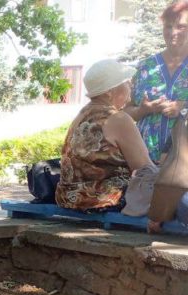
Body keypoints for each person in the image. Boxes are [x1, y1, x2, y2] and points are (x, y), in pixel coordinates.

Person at [56, 59, 154, 212]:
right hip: (102, 199)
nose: (131, 86)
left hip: (68, 197)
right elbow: (144, 169)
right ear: (110, 91)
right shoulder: (118, 119)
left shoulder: (82, 115)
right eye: (127, 83)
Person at [126, 1, 188, 162]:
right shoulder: (146, 66)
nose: (173, 32)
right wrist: (144, 110)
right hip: (145, 159)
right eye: (168, 26)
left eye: (181, 26)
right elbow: (126, 111)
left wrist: (182, 107)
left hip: (183, 163)